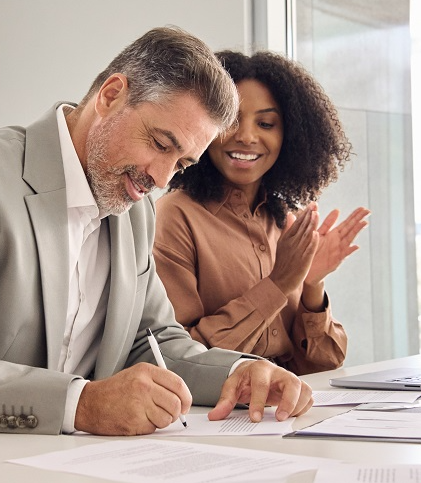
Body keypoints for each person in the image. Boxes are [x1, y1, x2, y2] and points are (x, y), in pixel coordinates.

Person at [0, 27, 314, 438]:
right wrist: (79, 404)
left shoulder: (134, 209)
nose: (160, 178)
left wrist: (240, 372)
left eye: (180, 164)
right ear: (112, 95)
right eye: (160, 144)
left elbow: (153, 343)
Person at [154, 50, 368, 374]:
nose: (247, 136)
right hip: (217, 414)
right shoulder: (175, 216)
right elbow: (179, 358)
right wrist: (280, 283)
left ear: (290, 137)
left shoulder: (285, 220)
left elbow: (323, 362)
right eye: (230, 120)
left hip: (283, 408)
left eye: (266, 123)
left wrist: (311, 283)